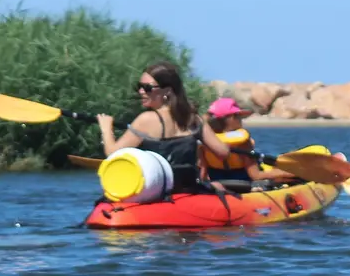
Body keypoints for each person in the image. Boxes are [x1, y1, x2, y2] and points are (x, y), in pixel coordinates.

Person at [97, 63, 242, 194]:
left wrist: (106, 127)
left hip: (158, 192)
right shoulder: (193, 119)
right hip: (188, 189)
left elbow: (112, 155)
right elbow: (223, 152)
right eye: (139, 86)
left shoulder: (146, 120)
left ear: (167, 90)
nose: (141, 92)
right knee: (216, 186)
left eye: (147, 88)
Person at [201, 97, 267, 184]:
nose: (241, 120)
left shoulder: (204, 140)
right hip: (243, 184)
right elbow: (255, 175)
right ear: (232, 117)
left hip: (217, 182)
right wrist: (285, 173)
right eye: (239, 116)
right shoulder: (243, 141)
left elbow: (202, 175)